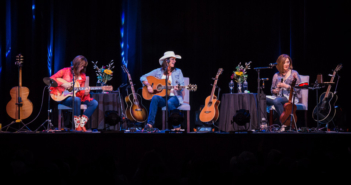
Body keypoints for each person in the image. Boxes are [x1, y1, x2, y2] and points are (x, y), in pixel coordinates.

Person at [50, 55, 98, 132]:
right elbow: (51, 79)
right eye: (81, 66)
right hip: (64, 97)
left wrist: (85, 92)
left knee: (94, 103)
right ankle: (77, 125)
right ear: (76, 64)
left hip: (76, 97)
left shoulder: (83, 76)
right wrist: (63, 84)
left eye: (83, 66)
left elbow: (80, 92)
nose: (82, 68)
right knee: (76, 100)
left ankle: (81, 124)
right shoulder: (65, 71)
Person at [140, 51, 185, 130]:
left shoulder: (178, 71)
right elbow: (143, 77)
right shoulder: (158, 71)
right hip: (163, 97)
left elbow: (182, 85)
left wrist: (179, 87)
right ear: (166, 60)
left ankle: (176, 126)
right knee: (154, 98)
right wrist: (148, 85)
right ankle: (150, 124)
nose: (175, 61)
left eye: (175, 59)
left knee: (169, 102)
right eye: (172, 59)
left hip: (174, 97)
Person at [266, 54, 301, 124]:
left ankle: (285, 123)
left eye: (288, 62)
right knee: (262, 98)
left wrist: (286, 86)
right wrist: (276, 90)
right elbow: (272, 90)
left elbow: (297, 89)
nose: (286, 64)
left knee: (276, 101)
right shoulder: (276, 75)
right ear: (280, 64)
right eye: (284, 62)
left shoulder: (294, 73)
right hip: (278, 96)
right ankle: (263, 123)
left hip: (290, 96)